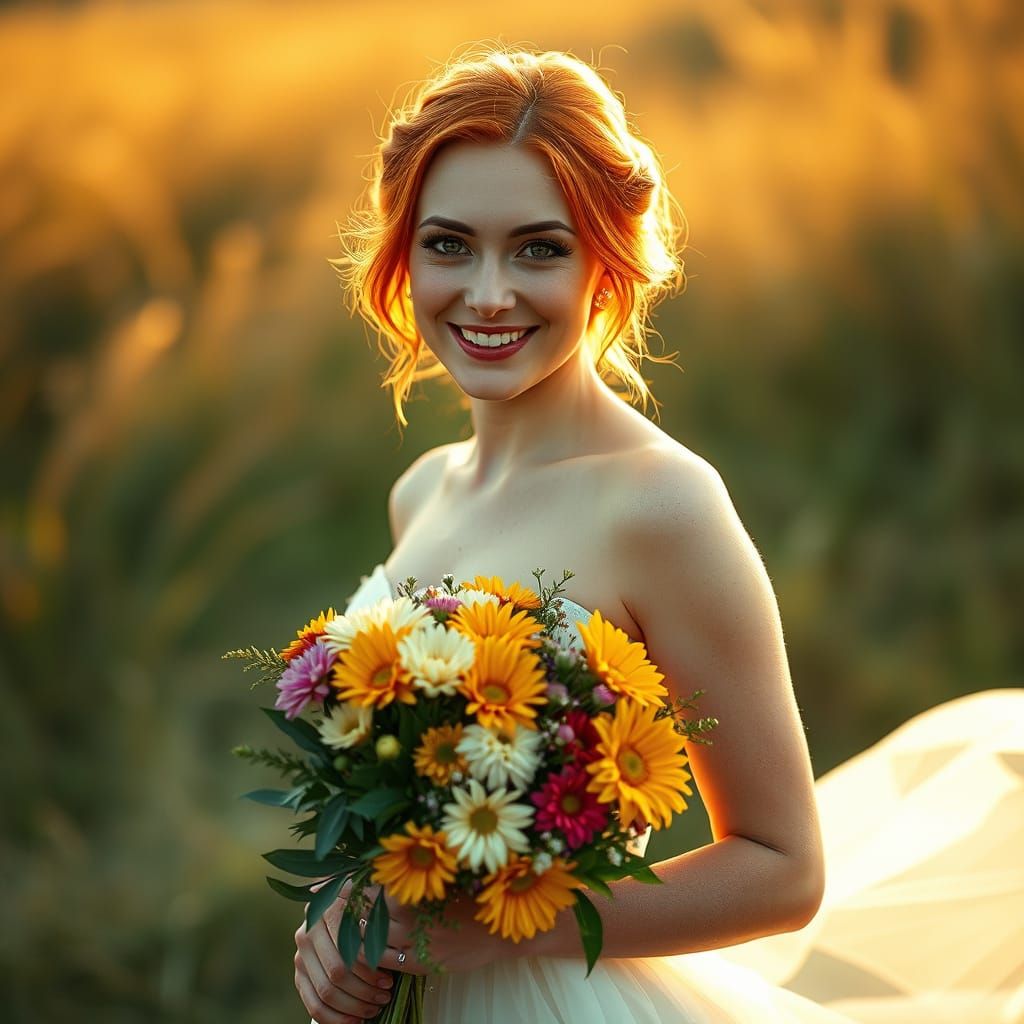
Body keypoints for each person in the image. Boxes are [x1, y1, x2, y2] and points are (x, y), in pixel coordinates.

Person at [293, 47, 1024, 1024]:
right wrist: (339, 912)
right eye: (450, 244)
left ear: (608, 259)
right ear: (402, 252)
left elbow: (782, 867)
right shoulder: (419, 491)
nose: (489, 293)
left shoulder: (662, 506)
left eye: (539, 248)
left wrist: (503, 925)